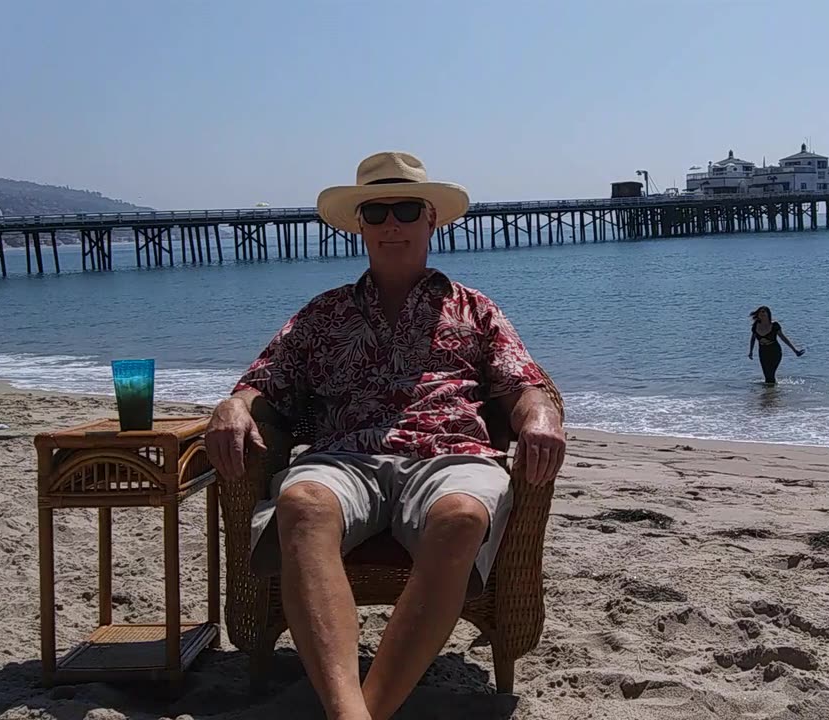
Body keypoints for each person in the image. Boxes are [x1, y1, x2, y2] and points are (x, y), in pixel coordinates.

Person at [206, 151, 566, 720]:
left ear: (431, 220)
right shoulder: (322, 315)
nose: (391, 223)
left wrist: (541, 416)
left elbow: (524, 383)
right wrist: (234, 404)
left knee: (463, 516)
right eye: (376, 211)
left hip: (450, 454)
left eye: (404, 209)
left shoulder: (475, 309)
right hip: (344, 457)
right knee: (300, 503)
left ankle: (356, 712)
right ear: (360, 225)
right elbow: (263, 381)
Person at [748, 305, 803, 385]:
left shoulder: (774, 325)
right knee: (767, 375)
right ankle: (771, 394)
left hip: (775, 351)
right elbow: (753, 339)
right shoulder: (756, 325)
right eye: (759, 312)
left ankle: (770, 394)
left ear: (768, 314)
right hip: (763, 352)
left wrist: (795, 350)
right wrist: (751, 351)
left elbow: (783, 338)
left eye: (763, 312)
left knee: (770, 374)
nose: (761, 313)